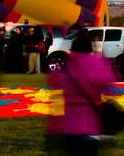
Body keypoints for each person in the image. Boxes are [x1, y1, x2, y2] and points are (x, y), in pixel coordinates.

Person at [46, 25, 117, 155]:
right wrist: (102, 58)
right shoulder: (95, 63)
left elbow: (54, 80)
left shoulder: (67, 63)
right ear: (89, 46)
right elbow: (108, 81)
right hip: (90, 126)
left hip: (70, 126)